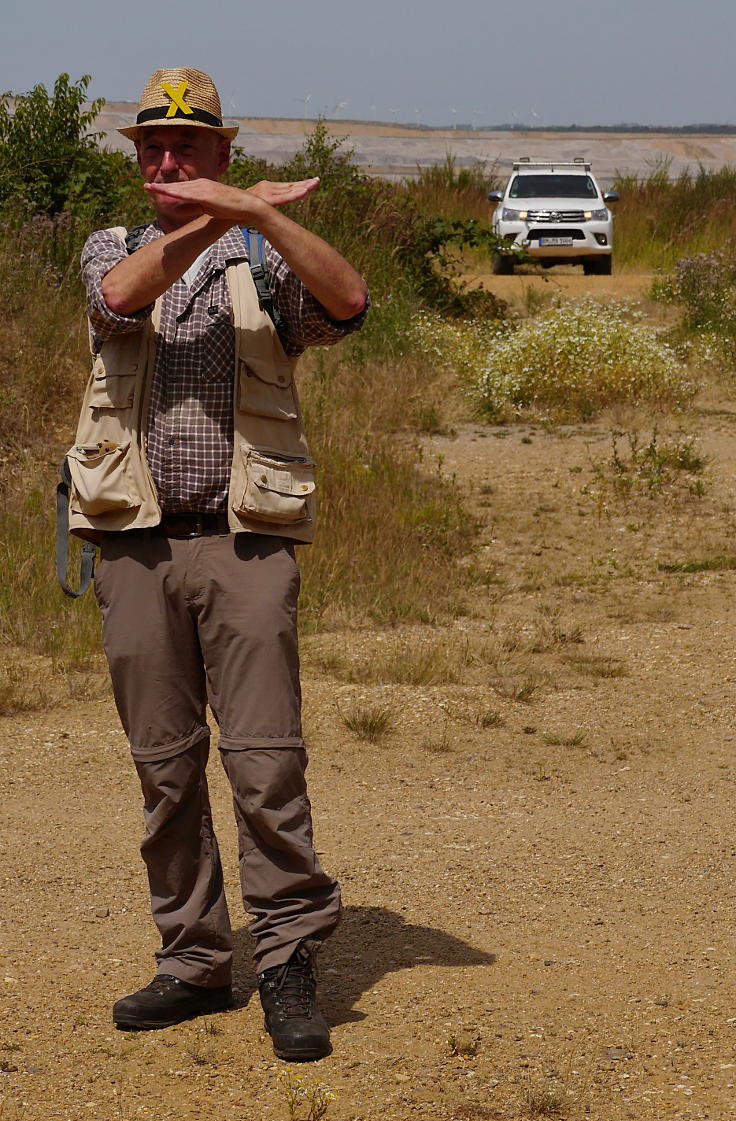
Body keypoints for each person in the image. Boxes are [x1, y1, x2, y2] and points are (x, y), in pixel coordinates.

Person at [68, 67, 368, 1061]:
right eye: (153, 148)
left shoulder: (261, 260)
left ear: (223, 154)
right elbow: (121, 298)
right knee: (164, 768)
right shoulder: (114, 246)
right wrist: (221, 215)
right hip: (134, 545)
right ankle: (193, 959)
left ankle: (285, 959)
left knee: (264, 763)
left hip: (246, 541)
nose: (167, 161)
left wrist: (257, 219)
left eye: (187, 148)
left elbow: (348, 297)